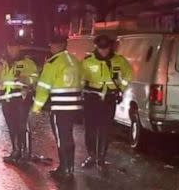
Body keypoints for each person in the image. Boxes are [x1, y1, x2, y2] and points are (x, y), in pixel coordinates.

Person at [31, 36, 82, 180]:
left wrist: (37, 107)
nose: (51, 48)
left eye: (51, 45)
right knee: (68, 136)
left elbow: (44, 87)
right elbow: (82, 80)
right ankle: (69, 167)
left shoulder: (53, 63)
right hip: (74, 106)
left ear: (55, 46)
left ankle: (64, 168)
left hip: (60, 106)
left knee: (61, 137)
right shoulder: (74, 60)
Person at [81, 35, 133, 169]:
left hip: (109, 97)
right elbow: (80, 78)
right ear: (96, 47)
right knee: (90, 128)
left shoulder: (119, 60)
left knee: (105, 129)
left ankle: (101, 158)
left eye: (106, 48)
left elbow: (128, 74)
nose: (103, 51)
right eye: (100, 48)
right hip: (91, 97)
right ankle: (92, 155)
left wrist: (121, 88)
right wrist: (81, 91)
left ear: (110, 47)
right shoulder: (87, 61)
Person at [0, 39, 39, 163]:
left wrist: (26, 80)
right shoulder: (3, 62)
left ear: (19, 48)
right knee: (12, 127)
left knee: (22, 126)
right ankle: (16, 151)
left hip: (21, 99)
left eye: (15, 47)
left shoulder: (27, 63)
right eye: (10, 47)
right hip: (6, 99)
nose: (12, 50)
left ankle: (25, 153)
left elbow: (35, 78)